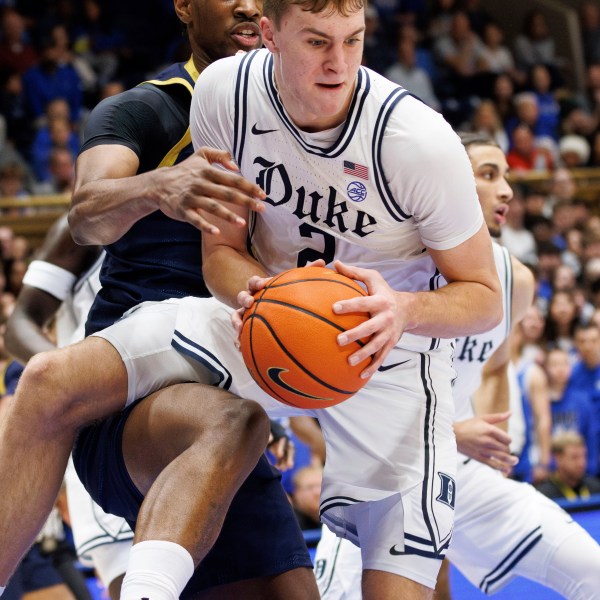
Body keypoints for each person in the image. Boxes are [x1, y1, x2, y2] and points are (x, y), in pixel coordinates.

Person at [0, 0, 318, 598]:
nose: (249, 4)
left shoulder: (308, 122)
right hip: (127, 401)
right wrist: (159, 186)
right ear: (183, 7)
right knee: (227, 422)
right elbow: (85, 215)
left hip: (239, 403)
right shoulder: (147, 109)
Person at [313, 133, 600, 599]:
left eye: (507, 176)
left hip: (460, 471)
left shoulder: (515, 280)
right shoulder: (386, 265)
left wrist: (488, 435)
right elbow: (343, 396)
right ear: (448, 182)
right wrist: (448, 431)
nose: (507, 189)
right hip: (383, 478)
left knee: (591, 569)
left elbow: (493, 365)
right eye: (489, 175)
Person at [3, 213, 133, 600]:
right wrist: (78, 377)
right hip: (102, 433)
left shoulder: (206, 219)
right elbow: (20, 327)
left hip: (187, 412)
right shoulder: (86, 223)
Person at [536, 431, 600, 501]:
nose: (581, 463)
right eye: (574, 457)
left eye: (584, 456)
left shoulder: (596, 488)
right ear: (558, 458)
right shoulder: (544, 496)